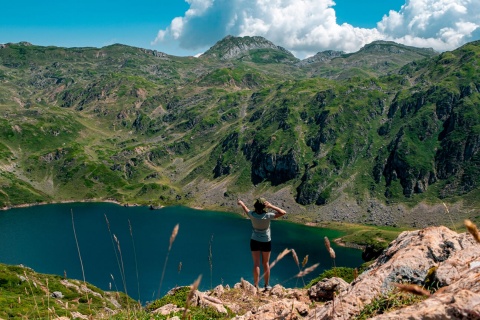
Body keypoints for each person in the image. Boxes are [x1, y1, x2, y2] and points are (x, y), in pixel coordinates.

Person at [237, 197, 286, 290]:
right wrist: (271, 206)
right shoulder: (268, 215)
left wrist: (241, 203)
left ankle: (256, 285)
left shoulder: (252, 214)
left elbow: (245, 208)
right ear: (264, 207)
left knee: (256, 263)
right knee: (266, 263)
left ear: (255, 206)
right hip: (266, 241)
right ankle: (267, 285)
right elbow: (283, 212)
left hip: (254, 240)